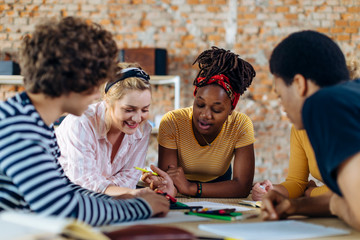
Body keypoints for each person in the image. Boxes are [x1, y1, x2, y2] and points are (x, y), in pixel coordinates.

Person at [0, 16, 169, 227]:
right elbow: (61, 209)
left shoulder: (36, 123)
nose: (99, 87)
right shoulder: (19, 127)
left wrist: (120, 199)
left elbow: (64, 190)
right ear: (71, 77)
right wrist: (142, 207)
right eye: (96, 75)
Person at [261, 30, 360, 230]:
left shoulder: (324, 103)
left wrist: (337, 205)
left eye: (280, 95)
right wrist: (294, 205)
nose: (283, 107)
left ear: (299, 84)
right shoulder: (352, 94)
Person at [143, 46, 256, 198]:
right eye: (200, 105)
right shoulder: (173, 122)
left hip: (220, 185)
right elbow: (169, 181)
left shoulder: (240, 124)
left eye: (216, 110)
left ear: (231, 108)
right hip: (180, 187)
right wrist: (165, 183)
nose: (205, 115)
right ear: (195, 97)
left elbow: (242, 186)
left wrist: (191, 188)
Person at [252, 56, 360, 201]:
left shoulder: (352, 128)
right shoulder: (301, 128)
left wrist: (311, 193)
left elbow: (347, 188)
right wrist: (271, 190)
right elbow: (297, 182)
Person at [56, 62, 152, 196]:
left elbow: (130, 177)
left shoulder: (143, 128)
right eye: (129, 110)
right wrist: (131, 193)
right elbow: (84, 184)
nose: (137, 118)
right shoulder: (81, 123)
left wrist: (102, 184)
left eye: (145, 109)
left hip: (105, 202)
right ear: (107, 102)